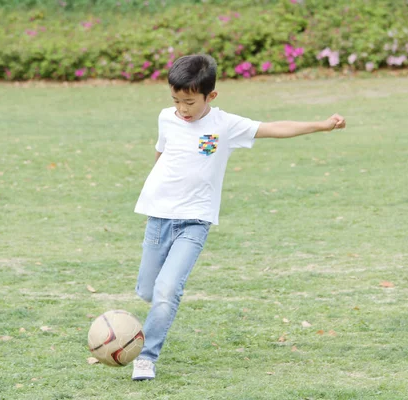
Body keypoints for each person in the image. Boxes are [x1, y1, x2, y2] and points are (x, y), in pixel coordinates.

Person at [131, 54, 346, 381]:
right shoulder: (167, 118)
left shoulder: (224, 125)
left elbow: (275, 128)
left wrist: (321, 125)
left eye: (189, 102)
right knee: (148, 290)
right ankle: (150, 319)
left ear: (210, 96)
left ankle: (145, 357)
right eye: (176, 100)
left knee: (167, 290)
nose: (182, 109)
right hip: (158, 217)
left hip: (194, 221)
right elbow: (162, 152)